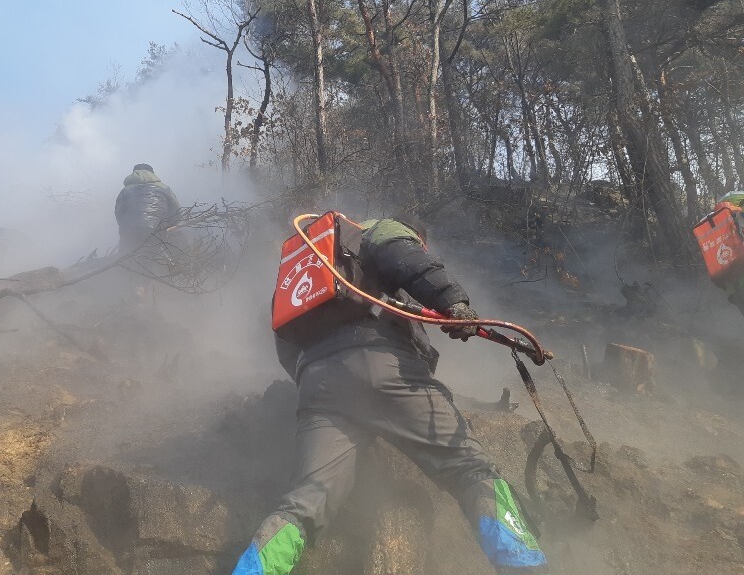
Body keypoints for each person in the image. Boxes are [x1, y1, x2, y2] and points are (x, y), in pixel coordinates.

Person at [233, 215, 547, 575]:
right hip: (384, 366)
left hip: (318, 386)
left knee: (303, 503)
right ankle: (525, 567)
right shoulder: (377, 231)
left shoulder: (312, 266)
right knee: (471, 469)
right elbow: (409, 259)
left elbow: (286, 344)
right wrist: (454, 303)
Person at [113, 163, 181, 254]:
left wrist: (125, 227)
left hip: (129, 230)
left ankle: (120, 266)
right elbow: (176, 211)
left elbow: (119, 212)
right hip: (156, 229)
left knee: (123, 257)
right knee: (156, 256)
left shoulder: (126, 190)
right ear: (152, 173)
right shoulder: (164, 188)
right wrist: (169, 225)